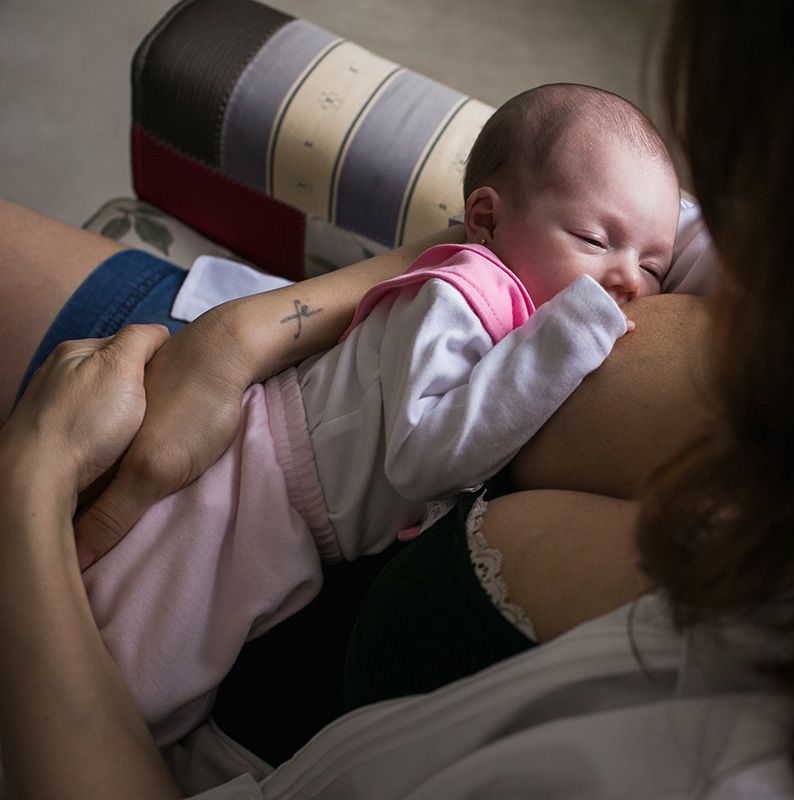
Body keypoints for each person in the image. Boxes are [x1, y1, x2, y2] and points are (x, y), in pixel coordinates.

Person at [3, 0, 794, 799]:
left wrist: (30, 491)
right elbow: (558, 217)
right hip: (271, 381)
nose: (654, 279)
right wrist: (257, 327)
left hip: (150, 629)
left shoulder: (677, 759)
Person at [2, 81, 682, 759]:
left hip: (298, 524)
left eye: (654, 267)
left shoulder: (518, 301)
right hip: (255, 482)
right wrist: (568, 336)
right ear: (487, 218)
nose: (627, 282)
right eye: (595, 239)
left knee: (150, 672)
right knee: (127, 662)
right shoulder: (462, 295)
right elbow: (424, 458)